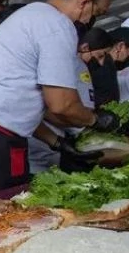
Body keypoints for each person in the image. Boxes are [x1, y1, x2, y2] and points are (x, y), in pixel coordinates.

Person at [0, 0, 124, 190]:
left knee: (4, 212)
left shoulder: (33, 14)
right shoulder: (58, 25)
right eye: (96, 13)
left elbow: (20, 102)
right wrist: (95, 120)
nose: (91, 21)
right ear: (85, 1)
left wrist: (57, 142)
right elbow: (62, 105)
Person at [28, 25, 116, 172]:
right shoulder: (75, 64)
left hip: (43, 141)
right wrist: (92, 122)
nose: (101, 63)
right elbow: (65, 109)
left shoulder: (48, 59)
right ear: (85, 46)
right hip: (45, 145)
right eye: (100, 55)